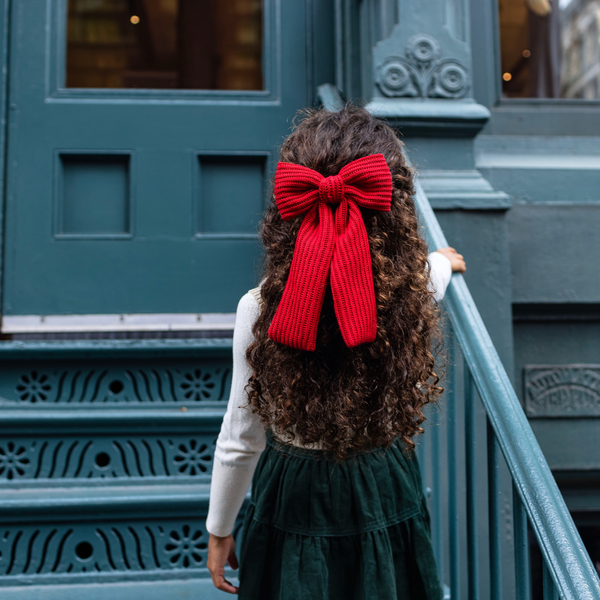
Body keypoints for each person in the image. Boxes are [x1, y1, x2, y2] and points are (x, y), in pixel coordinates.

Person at [206, 105, 466, 600]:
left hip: (294, 490)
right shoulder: (407, 291)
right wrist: (443, 262)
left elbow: (241, 438)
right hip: (383, 480)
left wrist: (219, 527)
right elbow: (429, 278)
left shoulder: (258, 309)